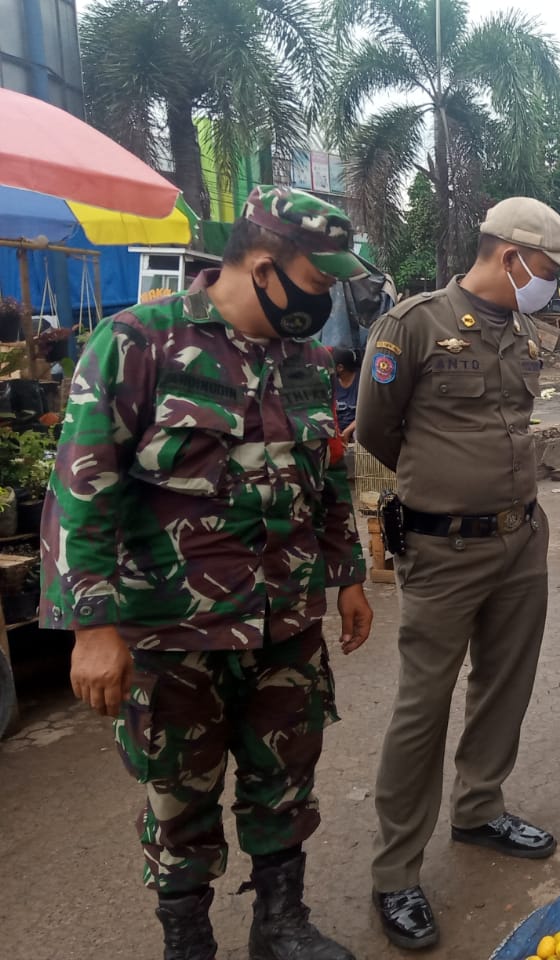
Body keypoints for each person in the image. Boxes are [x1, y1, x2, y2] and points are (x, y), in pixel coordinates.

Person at [40, 186, 373, 960]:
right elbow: (82, 486)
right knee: (179, 793)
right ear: (262, 266)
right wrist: (92, 625)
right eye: (317, 283)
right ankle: (187, 940)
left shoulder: (309, 362)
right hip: (172, 629)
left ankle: (281, 923)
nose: (325, 301)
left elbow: (326, 475)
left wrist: (346, 575)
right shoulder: (137, 343)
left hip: (285, 619)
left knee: (285, 776)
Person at [357, 197, 560, 951]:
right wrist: (446, 488)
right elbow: (376, 428)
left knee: (506, 683)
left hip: (520, 538)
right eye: (548, 270)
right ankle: (396, 872)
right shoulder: (415, 324)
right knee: (422, 707)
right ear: (509, 257)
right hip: (441, 549)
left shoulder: (526, 332)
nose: (551, 283)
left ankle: (480, 807)